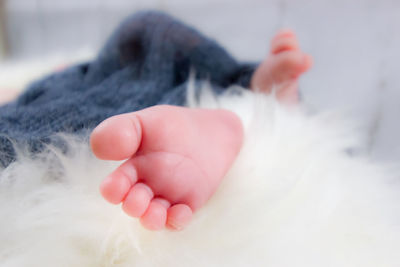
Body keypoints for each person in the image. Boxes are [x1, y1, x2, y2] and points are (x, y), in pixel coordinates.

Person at [0, 11, 311, 231]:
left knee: (52, 126)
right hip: (127, 84)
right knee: (142, 52)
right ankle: (243, 93)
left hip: (103, 76)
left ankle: (249, 86)